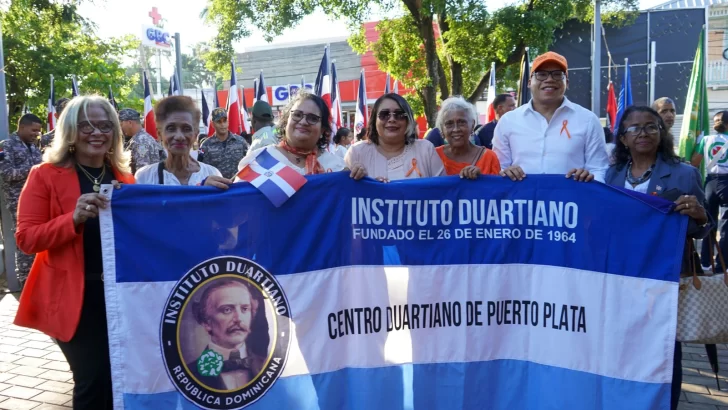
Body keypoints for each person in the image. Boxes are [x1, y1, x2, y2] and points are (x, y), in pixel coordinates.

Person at [14, 96, 135, 409]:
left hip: (121, 298)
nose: (97, 132)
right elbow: (26, 239)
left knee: (120, 379)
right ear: (70, 130)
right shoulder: (43, 175)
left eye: (105, 125)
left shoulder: (124, 178)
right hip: (73, 299)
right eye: (86, 125)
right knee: (92, 379)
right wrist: (72, 219)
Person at [605, 105, 710, 410]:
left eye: (651, 127)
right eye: (634, 128)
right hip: (622, 276)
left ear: (662, 133)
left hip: (664, 278)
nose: (643, 133)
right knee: (622, 345)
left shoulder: (685, 173)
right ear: (622, 139)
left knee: (664, 349)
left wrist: (700, 215)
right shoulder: (612, 175)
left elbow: (703, 227)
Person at [493, 51, 609, 183]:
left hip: (572, 200)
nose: (549, 79)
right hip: (522, 201)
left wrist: (588, 178)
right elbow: (498, 168)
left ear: (567, 83)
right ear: (530, 82)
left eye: (557, 74)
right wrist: (505, 172)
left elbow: (599, 169)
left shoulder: (588, 120)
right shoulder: (508, 122)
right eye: (541, 74)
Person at [237, 91, 361, 177]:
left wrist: (362, 182)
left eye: (312, 118)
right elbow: (238, 202)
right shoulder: (258, 160)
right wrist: (217, 189)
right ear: (286, 120)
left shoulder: (338, 168)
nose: (303, 122)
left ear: (323, 129)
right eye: (297, 115)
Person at [345, 93, 445, 182]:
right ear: (374, 120)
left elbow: (444, 192)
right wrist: (366, 187)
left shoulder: (425, 150)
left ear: (408, 121)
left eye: (399, 115)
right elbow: (340, 193)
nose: (392, 119)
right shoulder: (356, 153)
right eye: (384, 114)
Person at [188, 279, 267, 391]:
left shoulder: (267, 366)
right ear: (206, 322)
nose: (238, 319)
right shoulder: (189, 374)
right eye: (227, 310)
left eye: (244, 309)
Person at [135, 97, 230, 188]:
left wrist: (208, 193)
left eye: (186, 129)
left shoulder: (211, 174)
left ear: (195, 134)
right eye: (171, 128)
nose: (179, 136)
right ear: (160, 134)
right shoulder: (145, 178)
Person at [0, 114, 43, 287]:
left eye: (38, 131)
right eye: (33, 130)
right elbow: (7, 174)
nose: (36, 134)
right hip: (17, 202)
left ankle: (39, 278)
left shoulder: (34, 147)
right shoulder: (6, 147)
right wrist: (34, 170)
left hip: (38, 200)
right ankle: (25, 282)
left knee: (39, 237)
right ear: (22, 127)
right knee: (24, 240)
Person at [691, 111, 728, 271]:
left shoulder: (705, 140)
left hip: (710, 183)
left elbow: (694, 162)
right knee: (726, 227)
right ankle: (722, 265)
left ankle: (706, 262)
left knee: (708, 224)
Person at [435, 96, 500, 179]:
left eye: (462, 122)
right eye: (449, 124)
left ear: (472, 125)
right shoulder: (434, 156)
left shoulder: (489, 158)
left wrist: (481, 178)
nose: (456, 129)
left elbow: (496, 189)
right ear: (442, 129)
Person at [198, 108, 250, 180]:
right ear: (213, 124)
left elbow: (248, 164)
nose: (222, 125)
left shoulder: (241, 142)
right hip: (217, 188)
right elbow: (201, 170)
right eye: (219, 122)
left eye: (224, 121)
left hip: (237, 186)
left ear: (228, 122)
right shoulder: (205, 146)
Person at [118, 108, 165, 174]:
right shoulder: (143, 137)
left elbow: (142, 170)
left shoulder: (140, 141)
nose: (120, 128)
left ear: (130, 123)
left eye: (121, 124)